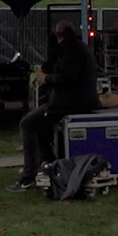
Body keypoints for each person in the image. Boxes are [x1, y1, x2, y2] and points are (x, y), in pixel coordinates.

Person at [11, 21, 101, 191]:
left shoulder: (72, 50)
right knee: (40, 129)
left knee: (28, 124)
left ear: (59, 35)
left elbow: (68, 77)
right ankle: (52, 165)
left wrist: (47, 79)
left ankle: (29, 175)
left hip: (70, 103)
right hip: (74, 100)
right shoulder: (76, 47)